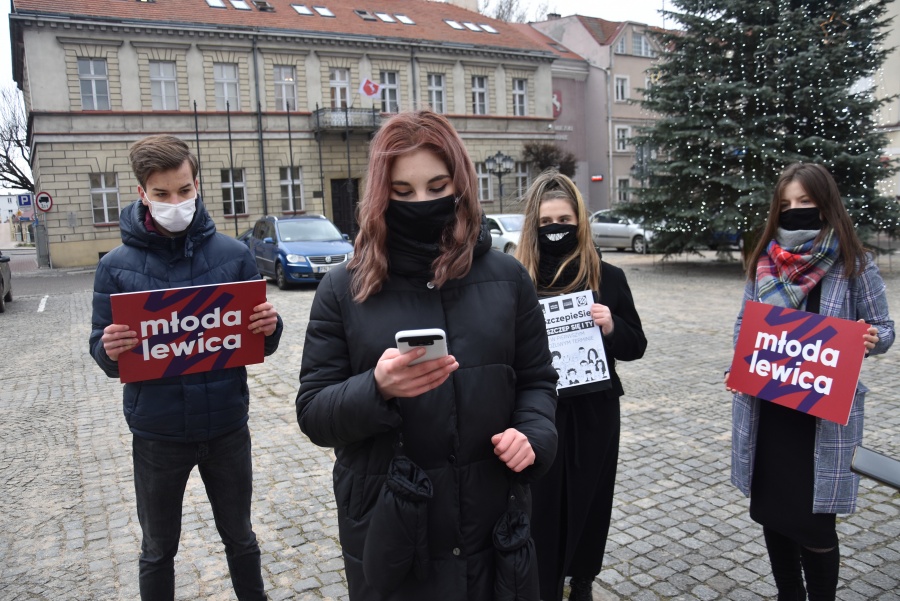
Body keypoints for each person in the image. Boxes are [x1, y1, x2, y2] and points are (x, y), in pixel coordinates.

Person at [296, 110, 558, 601]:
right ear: (380, 194)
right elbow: (313, 413)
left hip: (491, 522)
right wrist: (375, 389)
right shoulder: (341, 288)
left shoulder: (508, 278)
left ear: (460, 183)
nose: (422, 202)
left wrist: (534, 435)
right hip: (393, 527)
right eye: (403, 191)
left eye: (438, 186)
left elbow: (538, 381)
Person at [89, 134, 283, 601]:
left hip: (226, 426)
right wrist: (108, 348)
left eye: (183, 190)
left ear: (196, 186)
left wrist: (269, 325)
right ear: (142, 194)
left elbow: (261, 342)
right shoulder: (115, 267)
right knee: (158, 548)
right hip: (157, 432)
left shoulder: (234, 256)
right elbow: (102, 349)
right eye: (162, 194)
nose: (175, 202)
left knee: (240, 536)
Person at [725, 162, 894, 601]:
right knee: (773, 514)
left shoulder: (854, 263)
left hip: (821, 418)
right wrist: (737, 366)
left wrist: (872, 338)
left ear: (825, 204)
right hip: (770, 411)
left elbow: (885, 330)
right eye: (786, 205)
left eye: (805, 202)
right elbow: (747, 327)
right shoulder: (763, 263)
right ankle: (788, 595)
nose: (795, 211)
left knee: (816, 525)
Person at [515, 170, 647, 601]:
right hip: (539, 409)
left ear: (580, 221)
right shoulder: (519, 280)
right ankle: (544, 578)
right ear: (535, 226)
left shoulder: (607, 276)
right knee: (543, 498)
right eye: (548, 221)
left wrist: (612, 326)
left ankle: (583, 577)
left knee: (592, 496)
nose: (557, 229)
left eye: (565, 220)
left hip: (594, 408)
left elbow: (636, 345)